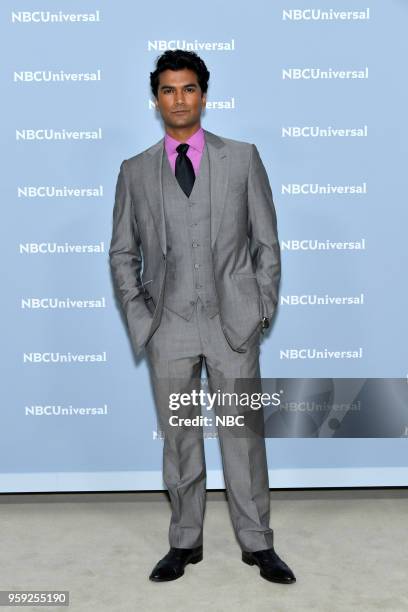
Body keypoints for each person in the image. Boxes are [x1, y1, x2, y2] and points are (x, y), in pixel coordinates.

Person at [109, 49, 296, 584]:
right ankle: (184, 542)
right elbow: (123, 253)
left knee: (242, 437)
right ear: (156, 99)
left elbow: (267, 243)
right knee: (179, 440)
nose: (179, 99)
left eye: (188, 88)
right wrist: (141, 319)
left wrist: (260, 306)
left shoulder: (241, 158)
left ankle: (257, 543)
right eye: (168, 90)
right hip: (167, 326)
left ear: (204, 95)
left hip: (232, 323)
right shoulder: (136, 171)